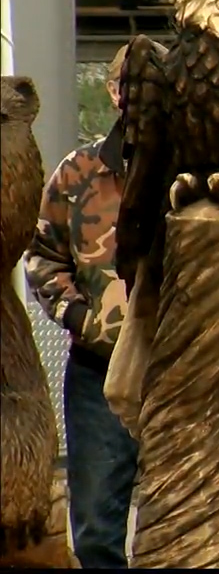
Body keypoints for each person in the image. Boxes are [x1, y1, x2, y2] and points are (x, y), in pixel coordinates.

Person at [25, 44, 137, 568]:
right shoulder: (79, 173)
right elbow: (43, 256)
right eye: (133, 85)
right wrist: (79, 317)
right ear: (114, 92)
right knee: (95, 528)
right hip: (100, 374)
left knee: (184, 524)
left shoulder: (195, 172)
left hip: (183, 376)